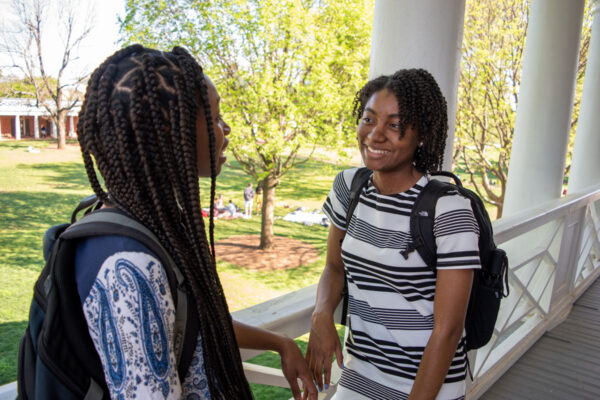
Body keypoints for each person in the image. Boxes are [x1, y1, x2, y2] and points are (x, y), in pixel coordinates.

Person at [75, 44, 317, 400]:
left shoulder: (156, 223)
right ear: (174, 132)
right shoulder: (129, 265)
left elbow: (198, 323)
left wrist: (280, 343)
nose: (227, 128)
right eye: (215, 116)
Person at [305, 69, 480, 399]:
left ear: (422, 135)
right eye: (368, 120)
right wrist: (321, 314)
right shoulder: (349, 187)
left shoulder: (449, 210)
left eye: (395, 125)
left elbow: (448, 330)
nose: (375, 135)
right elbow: (334, 268)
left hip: (428, 384)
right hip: (359, 372)